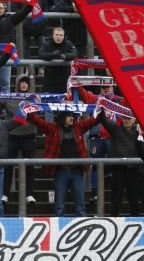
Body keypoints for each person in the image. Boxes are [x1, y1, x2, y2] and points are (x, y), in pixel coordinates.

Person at [28, 110, 98, 218]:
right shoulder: (53, 129)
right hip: (61, 172)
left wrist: (100, 110)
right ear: (62, 118)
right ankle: (59, 230)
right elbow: (39, 122)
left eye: (72, 116)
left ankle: (81, 228)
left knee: (80, 205)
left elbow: (92, 121)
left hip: (77, 171)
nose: (72, 118)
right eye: (69, 116)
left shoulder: (78, 127)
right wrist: (28, 111)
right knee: (59, 205)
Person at [97, 109, 144, 217]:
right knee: (115, 200)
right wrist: (101, 107)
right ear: (121, 119)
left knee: (134, 200)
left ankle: (137, 222)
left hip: (133, 170)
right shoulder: (115, 129)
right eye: (124, 118)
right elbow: (103, 120)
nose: (126, 120)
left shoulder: (139, 133)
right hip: (118, 169)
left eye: (129, 118)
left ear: (134, 120)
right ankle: (112, 223)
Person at [3, 75, 36, 205]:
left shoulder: (33, 98)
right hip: (13, 136)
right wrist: (23, 108)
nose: (24, 85)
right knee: (9, 166)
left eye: (26, 83)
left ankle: (29, 194)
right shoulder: (10, 98)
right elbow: (15, 111)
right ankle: (5, 194)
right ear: (17, 84)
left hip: (28, 136)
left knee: (30, 167)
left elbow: (33, 112)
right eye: (22, 83)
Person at [0, 3, 31, 92]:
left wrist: (30, 4)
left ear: (4, 9)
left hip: (5, 56)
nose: (0, 9)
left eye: (1, 8)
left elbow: (23, 13)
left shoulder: (10, 19)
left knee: (5, 85)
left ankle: (5, 106)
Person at [38, 27, 79, 93]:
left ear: (63, 36)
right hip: (50, 78)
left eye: (60, 35)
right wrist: (52, 55)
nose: (58, 37)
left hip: (64, 77)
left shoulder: (68, 44)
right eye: (56, 35)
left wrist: (65, 56)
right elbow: (40, 54)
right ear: (53, 35)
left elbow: (75, 54)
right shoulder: (47, 44)